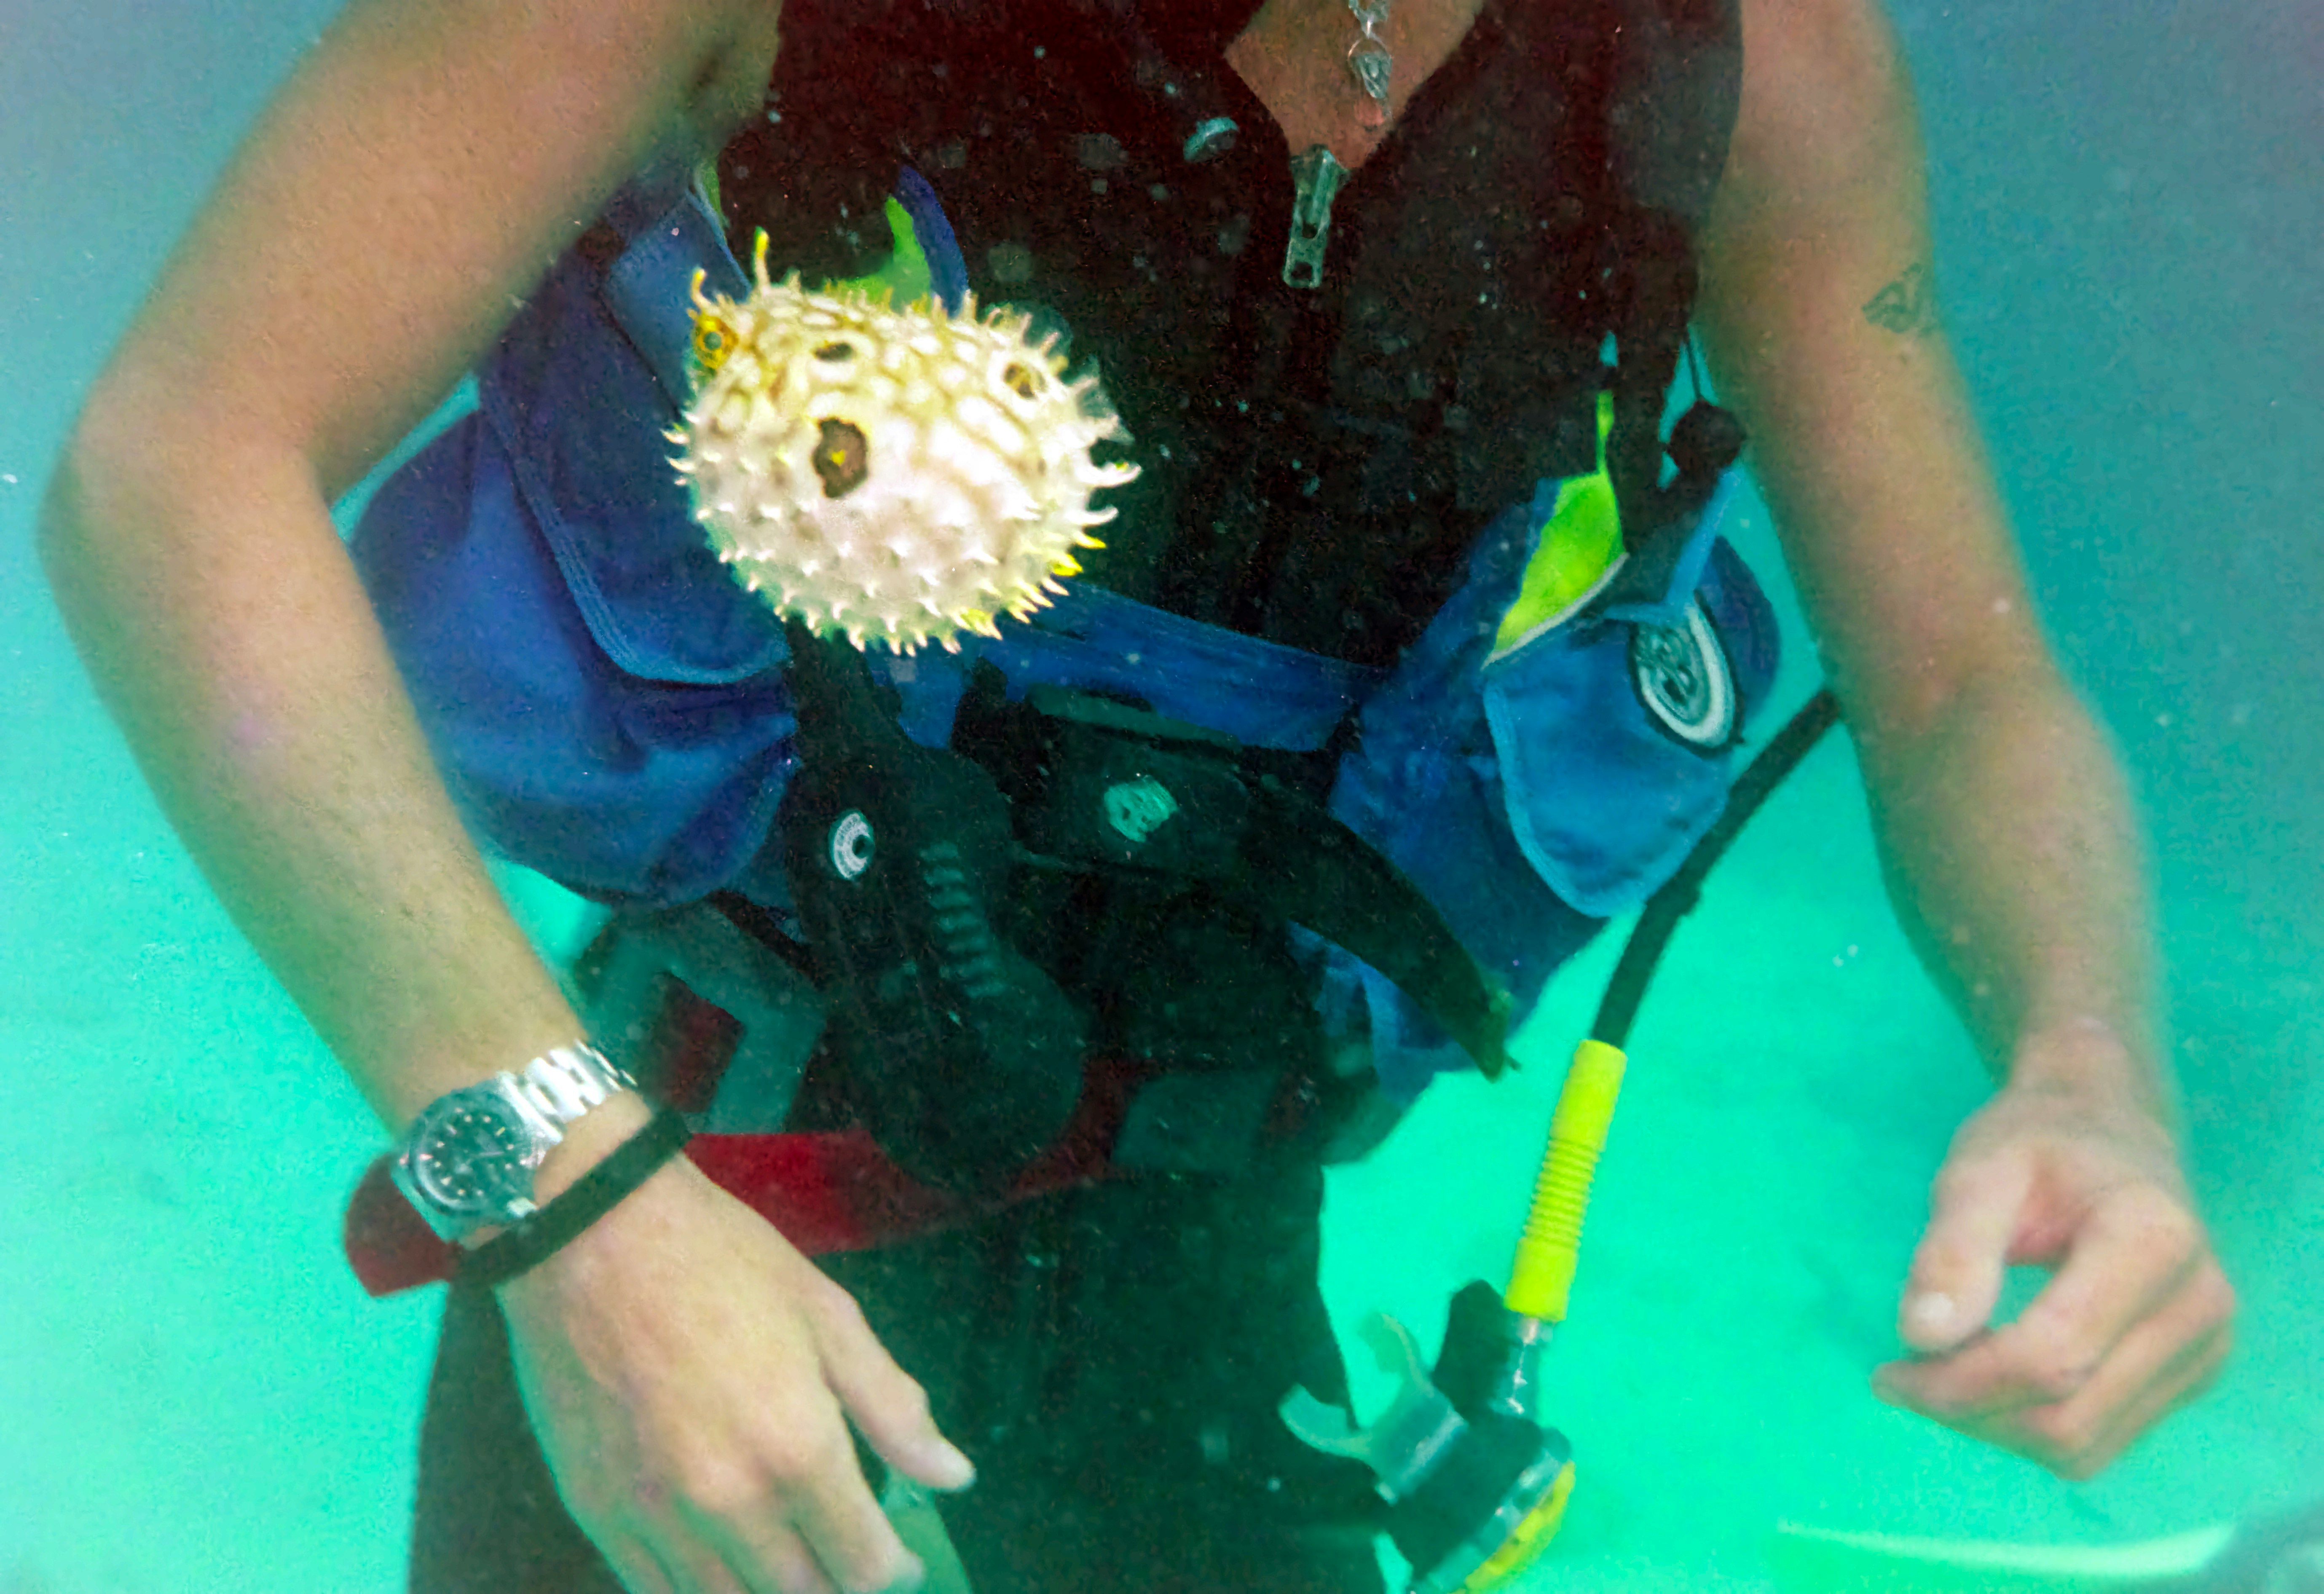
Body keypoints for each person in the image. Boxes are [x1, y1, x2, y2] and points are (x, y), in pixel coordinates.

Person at [39, 0, 2237, 1590]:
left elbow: (1963, 682)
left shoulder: (1757, 70)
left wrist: (2091, 1063)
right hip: (685, 1198)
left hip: (1215, 1274)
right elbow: (174, 466)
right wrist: (568, 1207)